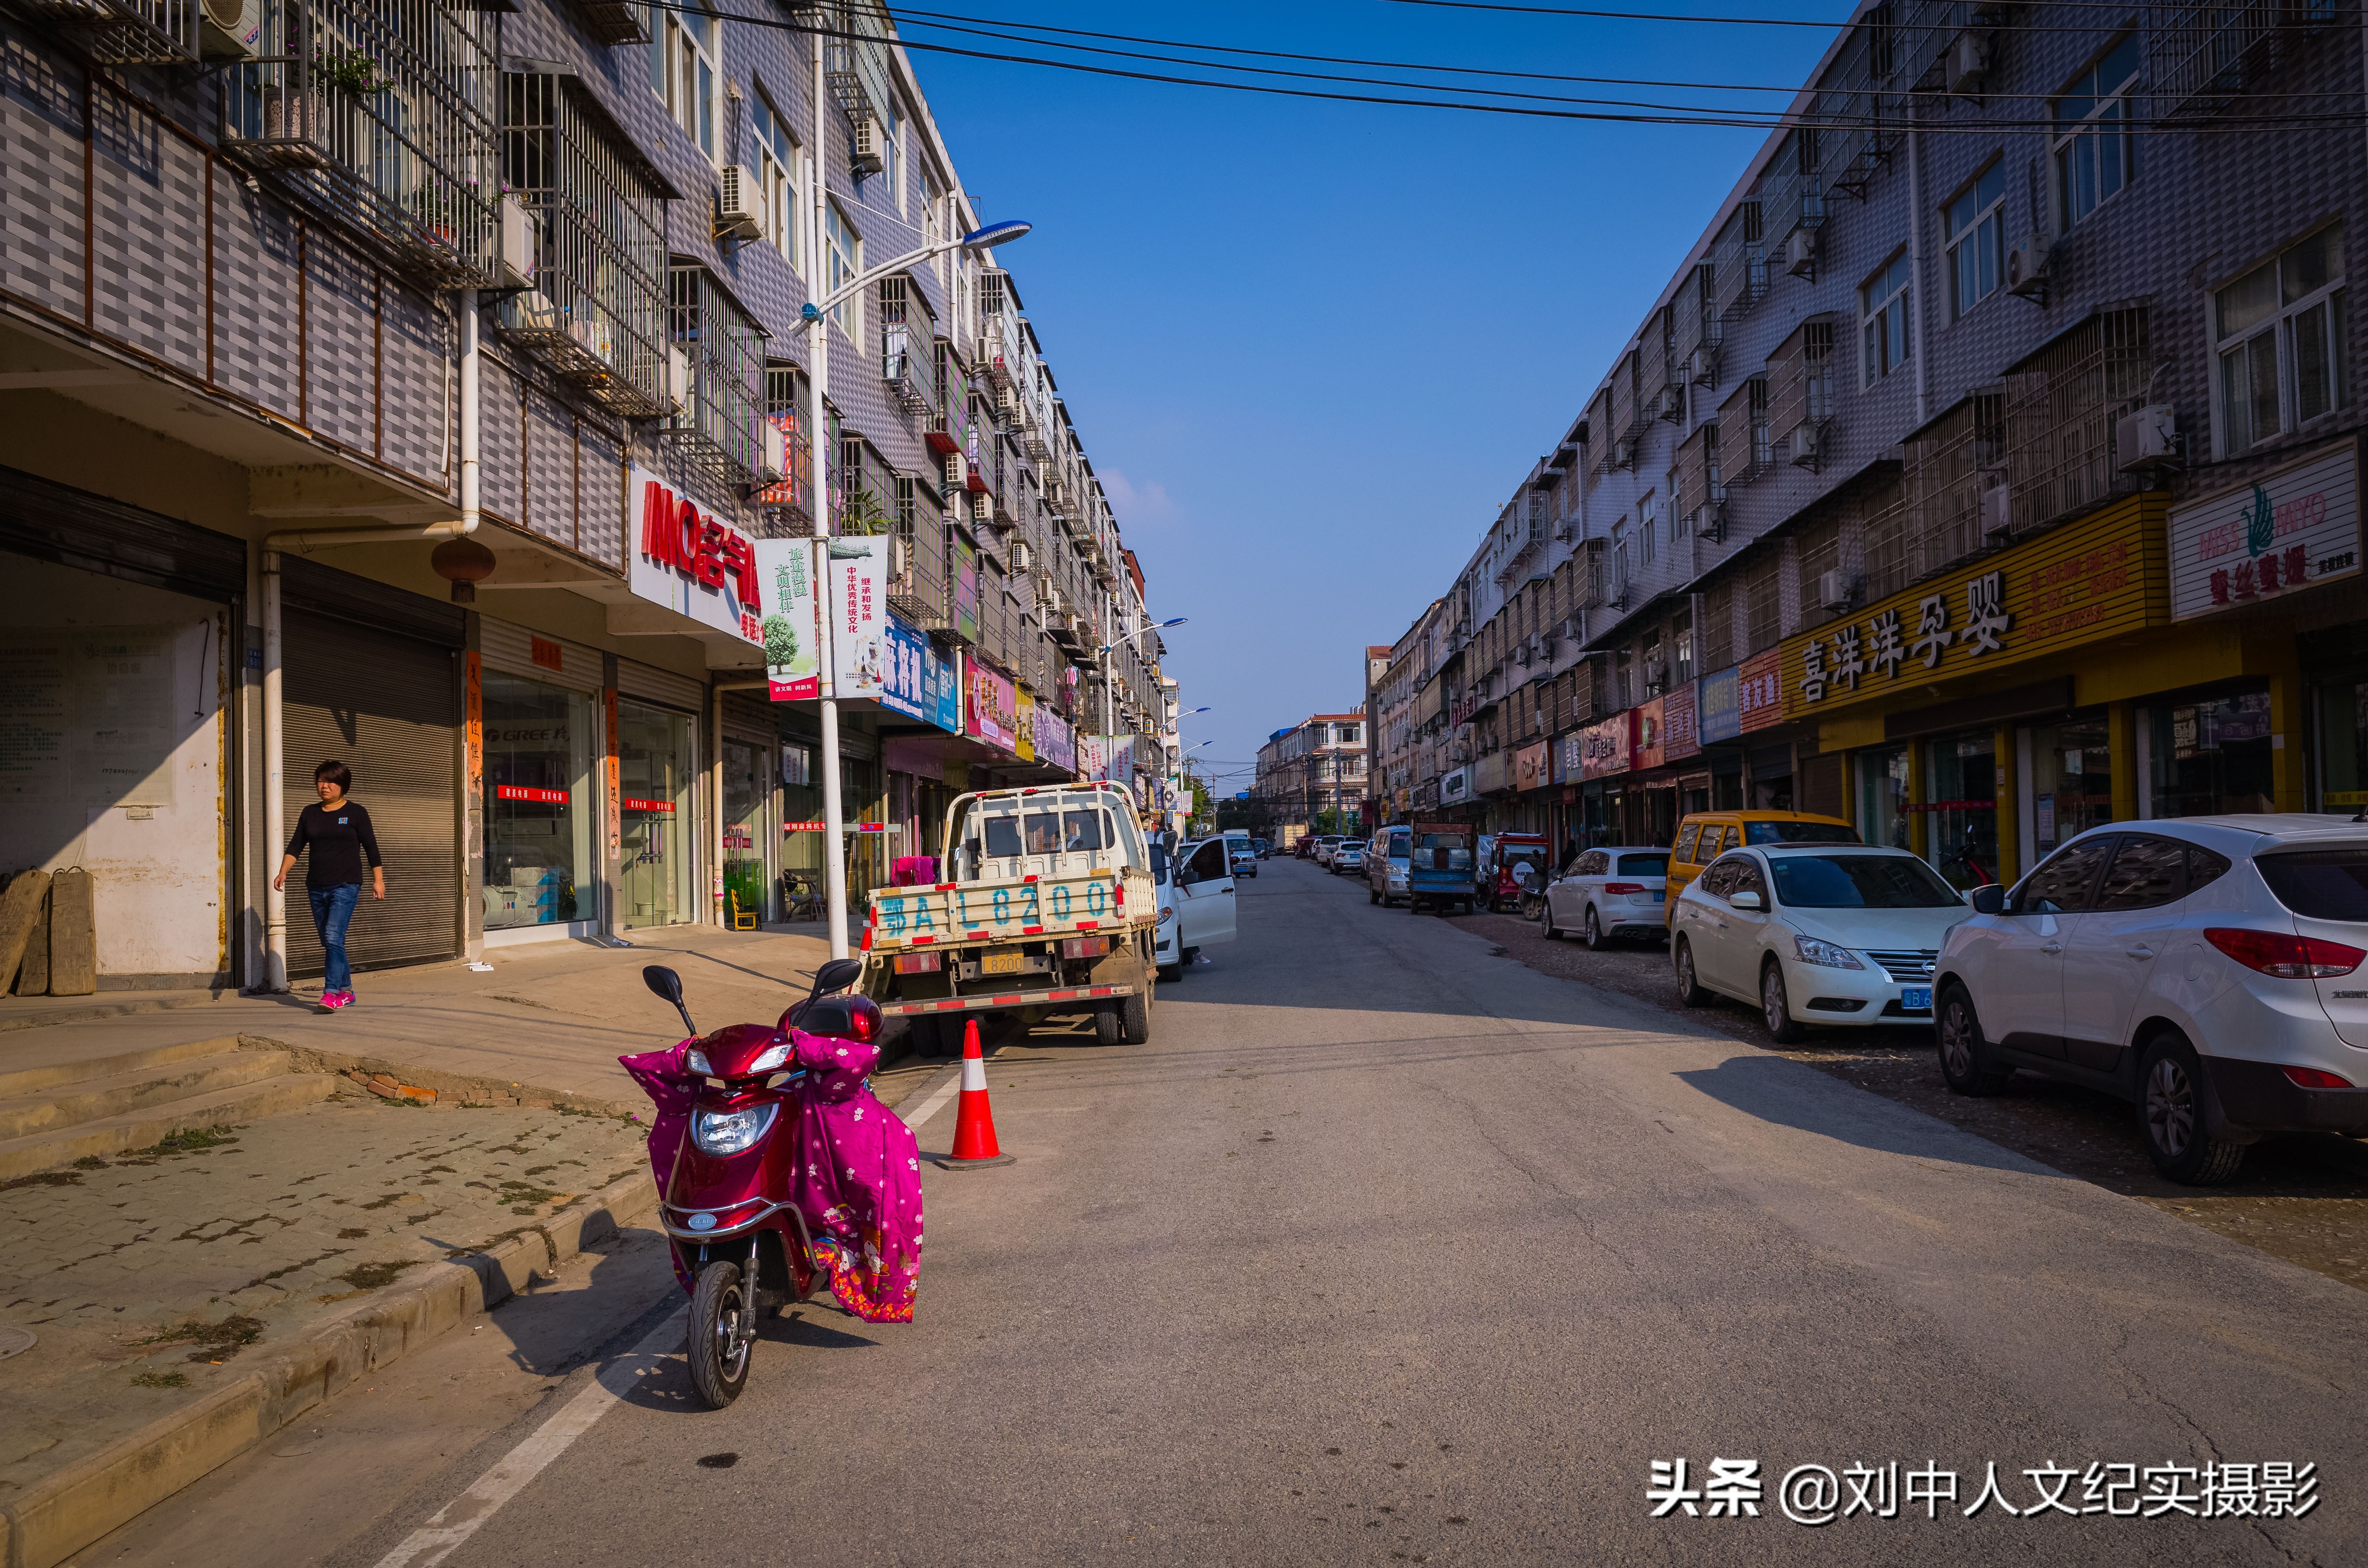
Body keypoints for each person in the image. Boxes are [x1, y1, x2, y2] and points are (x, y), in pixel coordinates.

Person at [274, 760, 384, 1013]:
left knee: (334, 936)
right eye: (321, 780)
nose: (325, 786)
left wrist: (378, 880)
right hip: (316, 885)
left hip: (346, 885)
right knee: (331, 940)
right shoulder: (309, 813)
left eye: (331, 781)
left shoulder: (357, 813)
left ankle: (331, 993)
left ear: (343, 786)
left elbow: (371, 848)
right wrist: (283, 872)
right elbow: (296, 846)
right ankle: (347, 992)